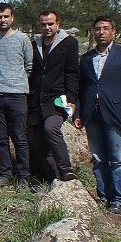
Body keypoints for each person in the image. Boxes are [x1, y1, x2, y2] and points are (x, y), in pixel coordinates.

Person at [74, 16, 121, 215]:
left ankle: (119, 199)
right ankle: (103, 196)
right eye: (98, 29)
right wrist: (78, 112)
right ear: (93, 32)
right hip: (91, 114)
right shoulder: (86, 59)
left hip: (115, 113)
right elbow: (80, 89)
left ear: (113, 31)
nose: (101, 32)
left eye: (105, 28)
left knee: (117, 158)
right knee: (98, 158)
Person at [28, 10, 80, 183]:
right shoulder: (35, 44)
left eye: (50, 23)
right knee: (39, 140)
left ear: (58, 24)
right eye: (43, 24)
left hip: (57, 99)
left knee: (51, 128)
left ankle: (66, 169)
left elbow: (72, 72)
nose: (47, 27)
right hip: (36, 99)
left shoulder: (69, 43)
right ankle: (52, 177)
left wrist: (71, 99)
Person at [0, 2, 33, 190]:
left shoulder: (22, 39)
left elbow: (29, 66)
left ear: (12, 17)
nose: (2, 20)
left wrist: (17, 82)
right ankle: (5, 173)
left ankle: (24, 176)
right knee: (1, 138)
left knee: (20, 137)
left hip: (17, 95)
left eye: (6, 16)